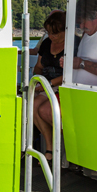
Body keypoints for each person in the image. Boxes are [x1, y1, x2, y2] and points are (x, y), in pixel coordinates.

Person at [31, 11, 66, 163]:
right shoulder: (46, 44)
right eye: (49, 33)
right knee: (32, 107)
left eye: (56, 33)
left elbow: (70, 73)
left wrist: (48, 84)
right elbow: (39, 66)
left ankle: (58, 146)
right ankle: (50, 147)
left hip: (60, 85)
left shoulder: (73, 44)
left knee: (43, 110)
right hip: (45, 84)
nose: (51, 36)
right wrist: (37, 81)